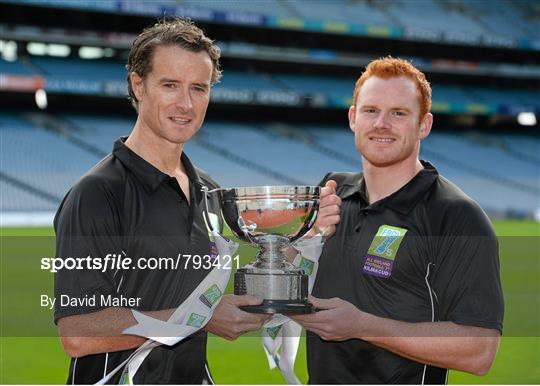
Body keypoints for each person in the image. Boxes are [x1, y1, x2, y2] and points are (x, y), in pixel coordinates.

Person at [53, 17, 340, 384]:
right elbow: (77, 333)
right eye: (170, 85)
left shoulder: (208, 190)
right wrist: (200, 318)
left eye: (198, 88)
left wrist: (300, 240)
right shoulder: (96, 194)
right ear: (138, 85)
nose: (185, 103)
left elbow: (218, 295)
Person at [291, 57, 504, 384]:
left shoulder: (456, 216)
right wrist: (307, 238)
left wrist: (362, 326)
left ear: (424, 125)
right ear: (353, 118)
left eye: (399, 113)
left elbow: (479, 351)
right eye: (371, 110)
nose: (381, 124)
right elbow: (273, 292)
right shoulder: (331, 192)